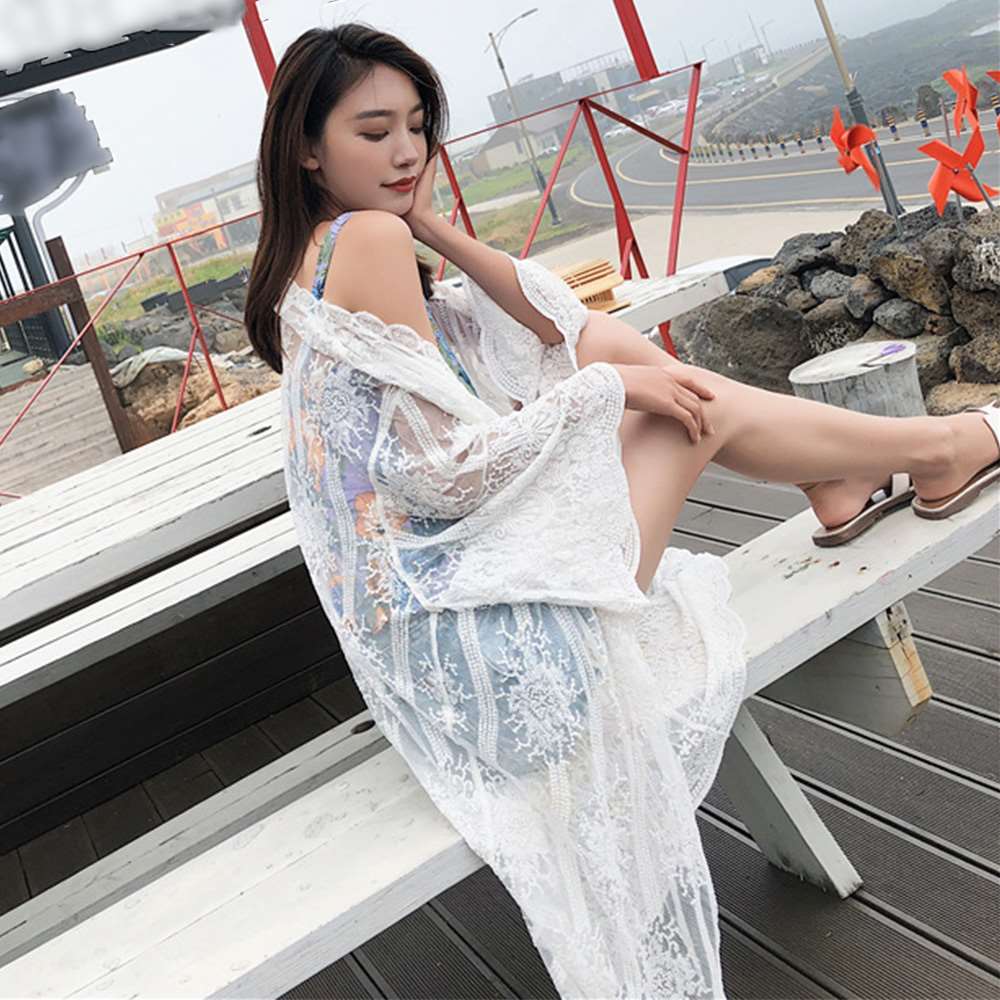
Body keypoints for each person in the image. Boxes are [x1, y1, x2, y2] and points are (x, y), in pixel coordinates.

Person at [244, 23, 1000, 998]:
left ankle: (858, 475)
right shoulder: (366, 240)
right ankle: (930, 451)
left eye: (419, 128)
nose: (406, 152)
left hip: (431, 641)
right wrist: (610, 396)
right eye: (374, 131)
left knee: (615, 358)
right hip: (501, 656)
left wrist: (437, 229)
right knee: (676, 404)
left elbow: (554, 325)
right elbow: (443, 476)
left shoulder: (319, 256)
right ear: (307, 146)